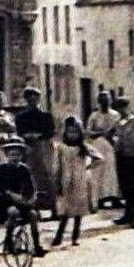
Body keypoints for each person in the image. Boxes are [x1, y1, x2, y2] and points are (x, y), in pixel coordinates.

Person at [0, 137, 46, 257]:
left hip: (21, 201)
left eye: (18, 155)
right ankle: (9, 240)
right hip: (5, 202)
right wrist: (10, 194)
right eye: (12, 155)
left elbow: (31, 187)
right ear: (7, 155)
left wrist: (29, 199)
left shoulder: (24, 169)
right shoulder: (1, 169)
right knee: (13, 212)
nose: (15, 158)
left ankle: (37, 245)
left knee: (33, 215)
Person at [50, 117, 98, 248]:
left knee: (78, 210)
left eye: (75, 132)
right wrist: (57, 180)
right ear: (65, 133)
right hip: (65, 180)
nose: (72, 134)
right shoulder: (60, 147)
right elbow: (56, 165)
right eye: (70, 132)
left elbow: (99, 158)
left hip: (80, 180)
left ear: (80, 133)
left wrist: (88, 167)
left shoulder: (83, 147)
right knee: (65, 211)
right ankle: (58, 236)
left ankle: (75, 237)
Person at [13, 87, 57, 213]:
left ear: (38, 99)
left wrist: (39, 136)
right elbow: (19, 131)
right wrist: (26, 136)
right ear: (26, 100)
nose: (32, 100)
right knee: (31, 177)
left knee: (48, 176)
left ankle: (53, 207)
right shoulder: (21, 117)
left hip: (44, 147)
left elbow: (51, 131)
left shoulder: (46, 115)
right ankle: (33, 207)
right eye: (29, 98)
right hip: (27, 148)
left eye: (35, 97)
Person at [110, 97, 134, 227]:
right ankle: (127, 214)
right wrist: (114, 144)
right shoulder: (118, 122)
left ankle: (133, 216)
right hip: (120, 156)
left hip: (133, 156)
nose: (121, 110)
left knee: (133, 187)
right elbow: (111, 135)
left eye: (123, 106)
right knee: (124, 186)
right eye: (118, 107)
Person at [84, 100, 121, 210]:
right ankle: (100, 199)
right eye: (102, 99)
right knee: (98, 172)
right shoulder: (94, 116)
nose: (104, 103)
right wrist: (101, 133)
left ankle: (114, 198)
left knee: (112, 172)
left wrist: (112, 135)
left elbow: (119, 130)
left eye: (106, 99)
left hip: (111, 145)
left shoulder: (115, 115)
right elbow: (88, 131)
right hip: (98, 145)